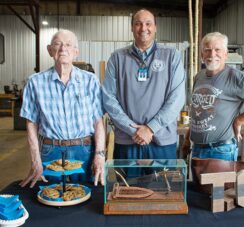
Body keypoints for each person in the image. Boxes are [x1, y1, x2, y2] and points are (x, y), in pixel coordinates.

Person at [20, 29, 106, 187]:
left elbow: (98, 122)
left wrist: (100, 155)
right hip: (50, 150)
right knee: (49, 195)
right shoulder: (35, 82)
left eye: (68, 45)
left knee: (86, 196)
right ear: (50, 50)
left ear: (76, 52)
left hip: (84, 150)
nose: (62, 49)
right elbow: (31, 123)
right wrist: (35, 158)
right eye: (57, 44)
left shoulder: (90, 81)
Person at [102, 9, 185, 161]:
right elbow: (108, 98)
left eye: (148, 24)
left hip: (162, 142)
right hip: (128, 140)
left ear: (155, 27)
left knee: (162, 185)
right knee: (127, 185)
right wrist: (132, 129)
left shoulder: (172, 56)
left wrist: (151, 128)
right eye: (138, 24)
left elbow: (177, 98)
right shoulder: (117, 58)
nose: (143, 28)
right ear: (132, 28)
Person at [182, 32, 244, 161]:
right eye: (207, 50)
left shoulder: (237, 77)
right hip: (197, 149)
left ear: (225, 54)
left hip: (220, 151)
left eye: (217, 50)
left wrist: (239, 121)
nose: (212, 54)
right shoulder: (199, 76)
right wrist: (187, 139)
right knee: (198, 182)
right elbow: (197, 112)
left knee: (219, 182)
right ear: (202, 55)